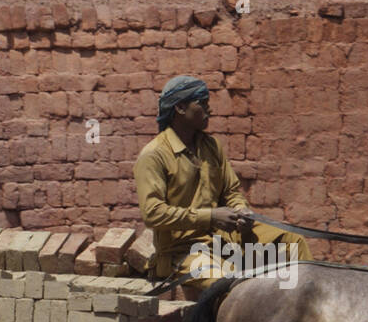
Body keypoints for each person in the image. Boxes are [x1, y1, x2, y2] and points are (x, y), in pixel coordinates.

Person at [133, 75, 312, 292]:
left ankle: (302, 309)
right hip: (184, 252)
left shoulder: (211, 146)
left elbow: (231, 191)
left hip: (224, 241)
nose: (210, 109)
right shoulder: (154, 155)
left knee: (292, 241)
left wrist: (241, 210)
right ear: (180, 107)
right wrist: (211, 216)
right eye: (202, 103)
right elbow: (153, 214)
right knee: (230, 282)